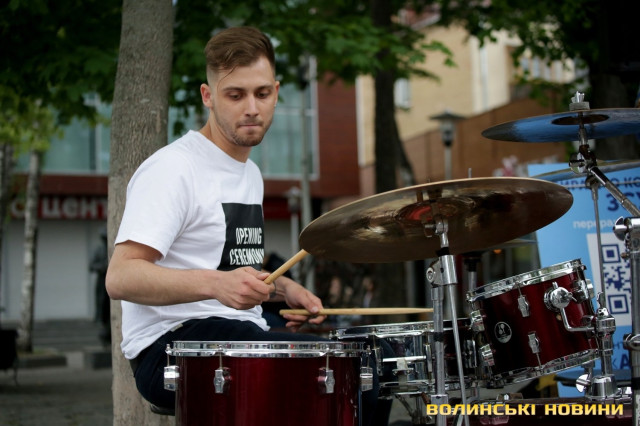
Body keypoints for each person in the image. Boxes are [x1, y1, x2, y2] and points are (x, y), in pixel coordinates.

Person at [105, 26, 390, 425]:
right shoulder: (174, 169)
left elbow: (228, 267)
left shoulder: (250, 173)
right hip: (171, 348)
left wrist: (282, 288)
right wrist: (216, 285)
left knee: (372, 361)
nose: (252, 108)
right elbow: (120, 277)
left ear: (276, 91)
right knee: (323, 369)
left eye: (262, 93)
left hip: (239, 332)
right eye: (235, 95)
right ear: (208, 96)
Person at [89, 226, 110, 345]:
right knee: (102, 305)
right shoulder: (99, 250)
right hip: (102, 281)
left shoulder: (115, 249)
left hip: (112, 280)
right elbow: (91, 266)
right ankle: (103, 329)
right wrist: (102, 267)